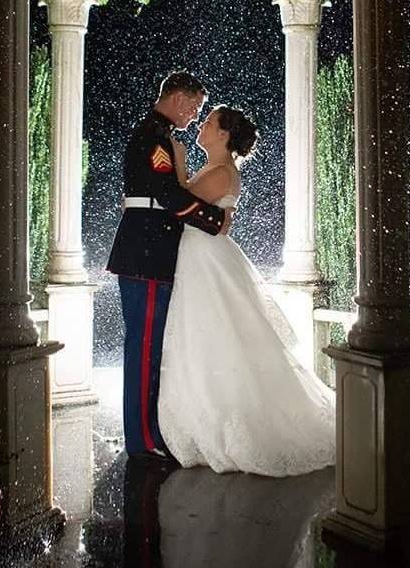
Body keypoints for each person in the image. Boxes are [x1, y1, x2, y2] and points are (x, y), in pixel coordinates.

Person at [158, 105, 336, 477]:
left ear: (223, 135)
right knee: (206, 337)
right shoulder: (217, 170)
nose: (202, 126)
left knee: (215, 336)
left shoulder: (222, 172)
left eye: (208, 123)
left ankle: (226, 426)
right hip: (200, 257)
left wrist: (178, 159)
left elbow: (179, 198)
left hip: (206, 259)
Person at [107, 71, 232, 458]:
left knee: (152, 350)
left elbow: (169, 194)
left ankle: (151, 434)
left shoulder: (159, 136)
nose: (195, 115)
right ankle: (143, 441)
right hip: (144, 253)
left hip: (151, 252)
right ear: (178, 99)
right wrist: (214, 219)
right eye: (194, 106)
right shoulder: (154, 137)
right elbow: (167, 194)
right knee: (144, 350)